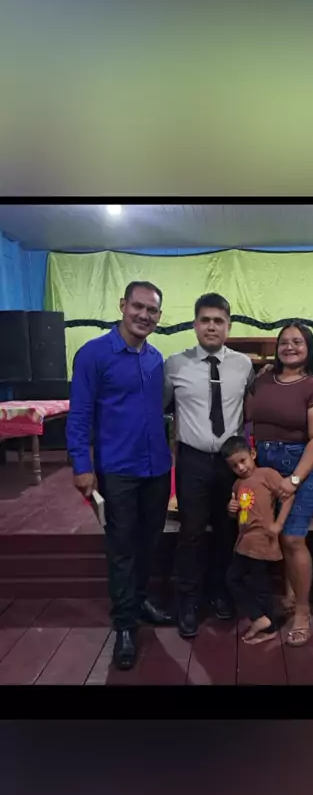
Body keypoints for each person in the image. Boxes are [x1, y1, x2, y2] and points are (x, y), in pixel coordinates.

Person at [66, 281, 173, 671]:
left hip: (156, 468)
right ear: (122, 305)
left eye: (152, 310)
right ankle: (125, 625)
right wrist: (82, 465)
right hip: (118, 470)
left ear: (159, 316)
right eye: (138, 307)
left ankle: (140, 601)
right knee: (123, 547)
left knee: (149, 542)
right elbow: (80, 415)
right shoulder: (93, 355)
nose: (144, 315)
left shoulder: (156, 358)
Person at [164, 294, 255, 639]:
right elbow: (161, 408)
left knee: (228, 529)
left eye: (219, 321)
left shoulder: (244, 366)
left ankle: (220, 591)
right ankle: (187, 601)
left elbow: (249, 410)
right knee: (191, 532)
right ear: (195, 324)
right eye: (205, 320)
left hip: (231, 464)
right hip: (193, 460)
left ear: (229, 326)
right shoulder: (175, 365)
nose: (212, 326)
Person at [245, 322, 313, 646]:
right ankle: (288, 595)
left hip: (300, 464)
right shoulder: (263, 379)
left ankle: (302, 612)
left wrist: (295, 479)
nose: (290, 347)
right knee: (272, 533)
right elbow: (248, 417)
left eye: (298, 342)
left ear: (309, 348)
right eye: (284, 341)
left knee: (293, 538)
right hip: (263, 464)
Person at [222, 435, 296, 645]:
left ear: (253, 454)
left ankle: (268, 625)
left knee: (260, 586)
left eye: (243, 460)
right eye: (234, 465)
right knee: (234, 579)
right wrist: (231, 510)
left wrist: (278, 524)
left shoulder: (267, 475)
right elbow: (241, 514)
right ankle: (260, 618)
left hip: (262, 541)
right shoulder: (237, 485)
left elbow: (288, 496)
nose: (240, 467)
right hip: (245, 542)